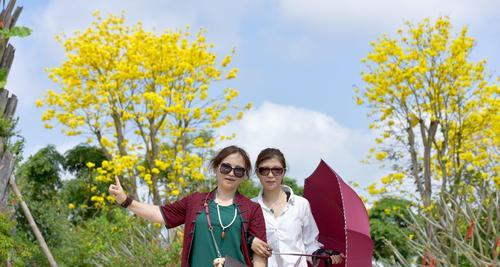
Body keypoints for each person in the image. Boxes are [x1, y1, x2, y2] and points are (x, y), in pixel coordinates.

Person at [109, 145, 267, 267]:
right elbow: (160, 214)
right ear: (215, 168)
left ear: (244, 176)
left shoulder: (252, 209)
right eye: (226, 167)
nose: (231, 173)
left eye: (239, 170)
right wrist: (125, 200)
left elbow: (260, 256)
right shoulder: (195, 201)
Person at [250, 148, 344, 266]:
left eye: (277, 170)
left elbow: (309, 244)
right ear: (257, 173)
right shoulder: (250, 207)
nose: (270, 174)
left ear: (284, 172)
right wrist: (251, 242)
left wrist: (322, 253)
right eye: (264, 170)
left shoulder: (301, 204)